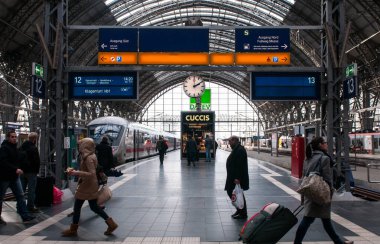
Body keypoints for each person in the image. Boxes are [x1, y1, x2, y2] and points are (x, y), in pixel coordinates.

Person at [294, 137, 353, 244]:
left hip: (309, 190)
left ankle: (338, 242)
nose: (326, 144)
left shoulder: (308, 158)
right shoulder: (324, 158)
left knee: (322, 220)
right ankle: (297, 243)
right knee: (310, 219)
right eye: (325, 143)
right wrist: (330, 191)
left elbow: (304, 175)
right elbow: (327, 178)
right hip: (320, 192)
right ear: (320, 145)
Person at [62, 138, 118, 237]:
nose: (78, 147)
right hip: (90, 184)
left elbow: (91, 173)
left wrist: (75, 172)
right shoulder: (91, 155)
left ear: (85, 146)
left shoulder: (88, 158)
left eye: (80, 145)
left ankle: (73, 230)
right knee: (93, 207)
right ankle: (111, 224)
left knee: (78, 207)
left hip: (88, 185)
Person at [0, 131, 35, 224]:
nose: (14, 138)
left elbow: (18, 160)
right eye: (12, 137)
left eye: (15, 137)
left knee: (21, 195)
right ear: (8, 138)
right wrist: (15, 169)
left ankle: (25, 216)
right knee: (1, 197)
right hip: (4, 178)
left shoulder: (15, 148)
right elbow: (3, 162)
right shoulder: (4, 148)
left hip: (14, 177)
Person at [225, 135, 249, 219]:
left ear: (234, 141)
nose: (229, 143)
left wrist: (237, 178)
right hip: (233, 177)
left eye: (230, 141)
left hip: (236, 178)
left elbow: (239, 166)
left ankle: (243, 212)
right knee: (233, 193)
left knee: (237, 194)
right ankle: (239, 210)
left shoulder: (240, 150)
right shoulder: (237, 149)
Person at [20, 132, 41, 213]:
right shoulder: (33, 148)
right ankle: (30, 207)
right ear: (35, 139)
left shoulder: (21, 147)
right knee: (31, 190)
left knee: (21, 190)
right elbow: (36, 161)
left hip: (22, 172)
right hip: (31, 172)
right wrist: (36, 171)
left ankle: (20, 207)